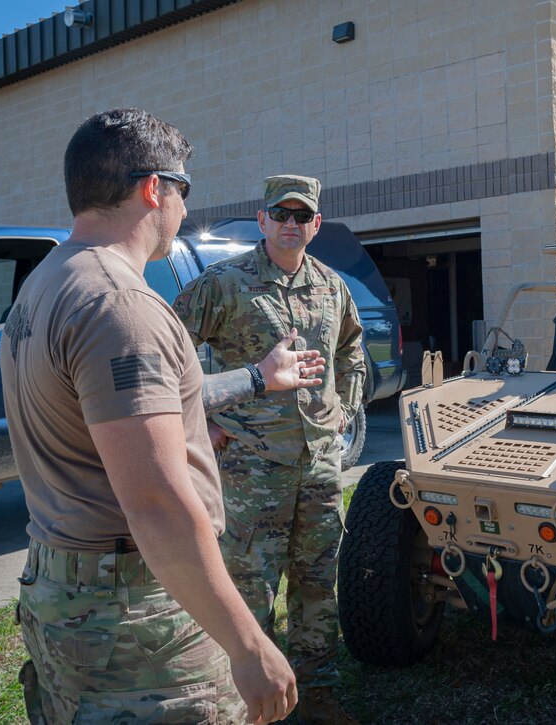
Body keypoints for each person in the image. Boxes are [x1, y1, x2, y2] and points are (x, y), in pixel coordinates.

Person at [0, 108, 324, 723]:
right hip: (132, 613)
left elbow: (134, 406)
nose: (184, 211)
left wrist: (257, 377)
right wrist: (248, 643)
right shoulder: (121, 306)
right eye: (184, 191)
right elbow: (157, 503)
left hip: (66, 589)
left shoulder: (48, 282)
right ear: (155, 188)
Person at [174, 174, 366, 723]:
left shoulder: (332, 286)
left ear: (315, 225)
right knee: (249, 587)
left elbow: (352, 349)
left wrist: (344, 411)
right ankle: (251, 703)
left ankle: (317, 694)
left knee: (316, 583)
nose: (289, 224)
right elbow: (168, 352)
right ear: (261, 220)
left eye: (300, 216)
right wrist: (203, 418)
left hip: (319, 467)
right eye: (279, 214)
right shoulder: (224, 283)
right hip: (251, 467)